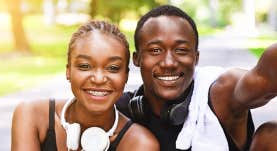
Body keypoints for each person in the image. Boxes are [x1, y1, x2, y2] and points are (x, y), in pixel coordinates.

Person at [116, 5, 277, 151]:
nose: (169, 63)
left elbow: (263, 78)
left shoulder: (220, 94)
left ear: (196, 57)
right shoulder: (118, 110)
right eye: (156, 50)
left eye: (181, 50)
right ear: (137, 59)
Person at [11, 20, 160, 151]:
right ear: (68, 71)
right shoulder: (31, 115)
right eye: (85, 66)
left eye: (113, 68)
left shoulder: (141, 144)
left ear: (125, 76)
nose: (99, 79)